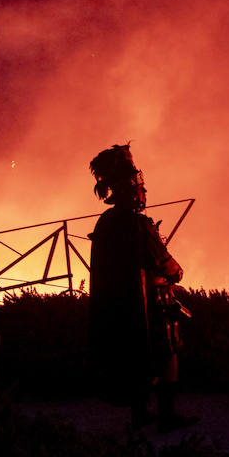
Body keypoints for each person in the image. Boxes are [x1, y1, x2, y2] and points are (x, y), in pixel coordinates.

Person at [86, 144, 198, 432]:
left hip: (120, 310)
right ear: (130, 190)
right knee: (167, 355)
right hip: (152, 305)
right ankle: (167, 414)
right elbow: (168, 266)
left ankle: (139, 414)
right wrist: (176, 273)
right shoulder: (138, 225)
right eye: (140, 187)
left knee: (133, 358)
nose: (144, 193)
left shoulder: (105, 223)